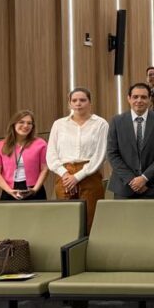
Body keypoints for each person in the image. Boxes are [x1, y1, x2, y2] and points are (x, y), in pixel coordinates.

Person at [46, 88, 108, 231]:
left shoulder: (100, 124)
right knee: (66, 219)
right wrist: (66, 175)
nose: (78, 103)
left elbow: (100, 155)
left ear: (90, 102)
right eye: (74, 100)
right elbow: (51, 154)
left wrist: (77, 177)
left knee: (91, 219)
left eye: (82, 100)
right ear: (69, 103)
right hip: (64, 174)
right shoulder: (59, 124)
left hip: (89, 174)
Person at [107, 82, 154, 199]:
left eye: (143, 97)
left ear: (149, 99)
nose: (139, 100)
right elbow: (112, 153)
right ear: (129, 98)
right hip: (124, 186)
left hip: (153, 185)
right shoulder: (117, 121)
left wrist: (144, 178)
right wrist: (131, 180)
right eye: (135, 97)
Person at [0, 110, 48, 200]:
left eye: (29, 123)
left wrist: (35, 189)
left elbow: (45, 169)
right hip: (9, 190)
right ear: (13, 124)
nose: (26, 126)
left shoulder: (41, 144)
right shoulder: (0, 146)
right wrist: (9, 190)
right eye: (21, 122)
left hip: (35, 190)